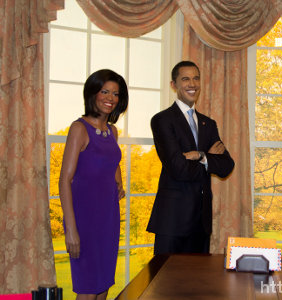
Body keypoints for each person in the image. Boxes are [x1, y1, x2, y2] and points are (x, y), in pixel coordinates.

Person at [147, 60, 235, 255]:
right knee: (166, 283)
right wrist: (211, 159)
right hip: (172, 222)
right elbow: (178, 169)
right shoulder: (162, 120)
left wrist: (202, 156)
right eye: (185, 79)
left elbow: (227, 165)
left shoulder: (208, 124)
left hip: (201, 224)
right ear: (174, 85)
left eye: (196, 78)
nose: (192, 84)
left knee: (198, 284)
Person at [59, 69, 128, 299]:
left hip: (108, 218)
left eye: (116, 94)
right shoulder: (79, 128)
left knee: (104, 285)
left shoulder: (113, 132)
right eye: (105, 91)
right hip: (84, 221)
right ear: (92, 94)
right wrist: (71, 230)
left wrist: (118, 183)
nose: (110, 98)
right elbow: (64, 180)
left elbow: (112, 160)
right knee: (88, 289)